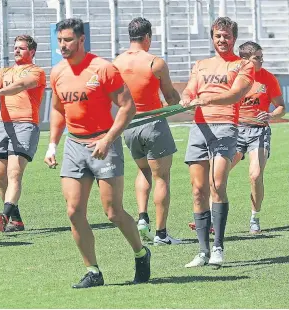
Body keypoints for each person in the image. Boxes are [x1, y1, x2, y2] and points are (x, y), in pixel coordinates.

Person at [44, 18, 151, 288]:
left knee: (113, 212)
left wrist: (108, 139)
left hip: (104, 144)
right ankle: (93, 271)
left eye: (68, 40)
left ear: (81, 40)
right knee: (73, 211)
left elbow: (128, 107)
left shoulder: (103, 68)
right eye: (59, 40)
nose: (63, 45)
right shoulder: (57, 72)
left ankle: (141, 253)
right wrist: (52, 144)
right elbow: (57, 109)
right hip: (74, 146)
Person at [181, 17, 255, 268]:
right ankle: (202, 251)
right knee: (198, 190)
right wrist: (187, 97)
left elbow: (236, 93)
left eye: (226, 36)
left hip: (225, 127)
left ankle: (218, 247)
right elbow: (191, 89)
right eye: (217, 36)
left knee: (217, 184)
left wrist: (207, 101)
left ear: (234, 38)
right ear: (212, 37)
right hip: (199, 128)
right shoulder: (201, 64)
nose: (222, 40)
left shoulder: (243, 65)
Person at [113, 17, 181, 245]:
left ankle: (142, 218)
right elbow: (171, 97)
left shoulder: (117, 62)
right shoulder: (155, 63)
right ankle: (161, 234)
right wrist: (179, 103)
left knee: (143, 171)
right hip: (152, 122)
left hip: (129, 125)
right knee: (162, 176)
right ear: (147, 37)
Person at [0, 35, 46, 232]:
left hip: (25, 125)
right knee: (0, 177)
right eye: (15, 48)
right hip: (3, 126)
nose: (16, 51)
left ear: (31, 52)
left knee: (14, 174)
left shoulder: (36, 71)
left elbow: (21, 86)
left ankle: (5, 215)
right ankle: (16, 221)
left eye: (21, 48)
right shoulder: (4, 71)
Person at [233, 41, 286, 233]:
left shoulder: (268, 78)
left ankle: (255, 217)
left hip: (259, 131)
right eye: (257, 57)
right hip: (235, 131)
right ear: (244, 59)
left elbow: (281, 107)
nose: (261, 60)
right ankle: (212, 218)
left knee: (255, 175)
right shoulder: (233, 77)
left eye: (261, 57)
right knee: (218, 175)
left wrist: (271, 115)